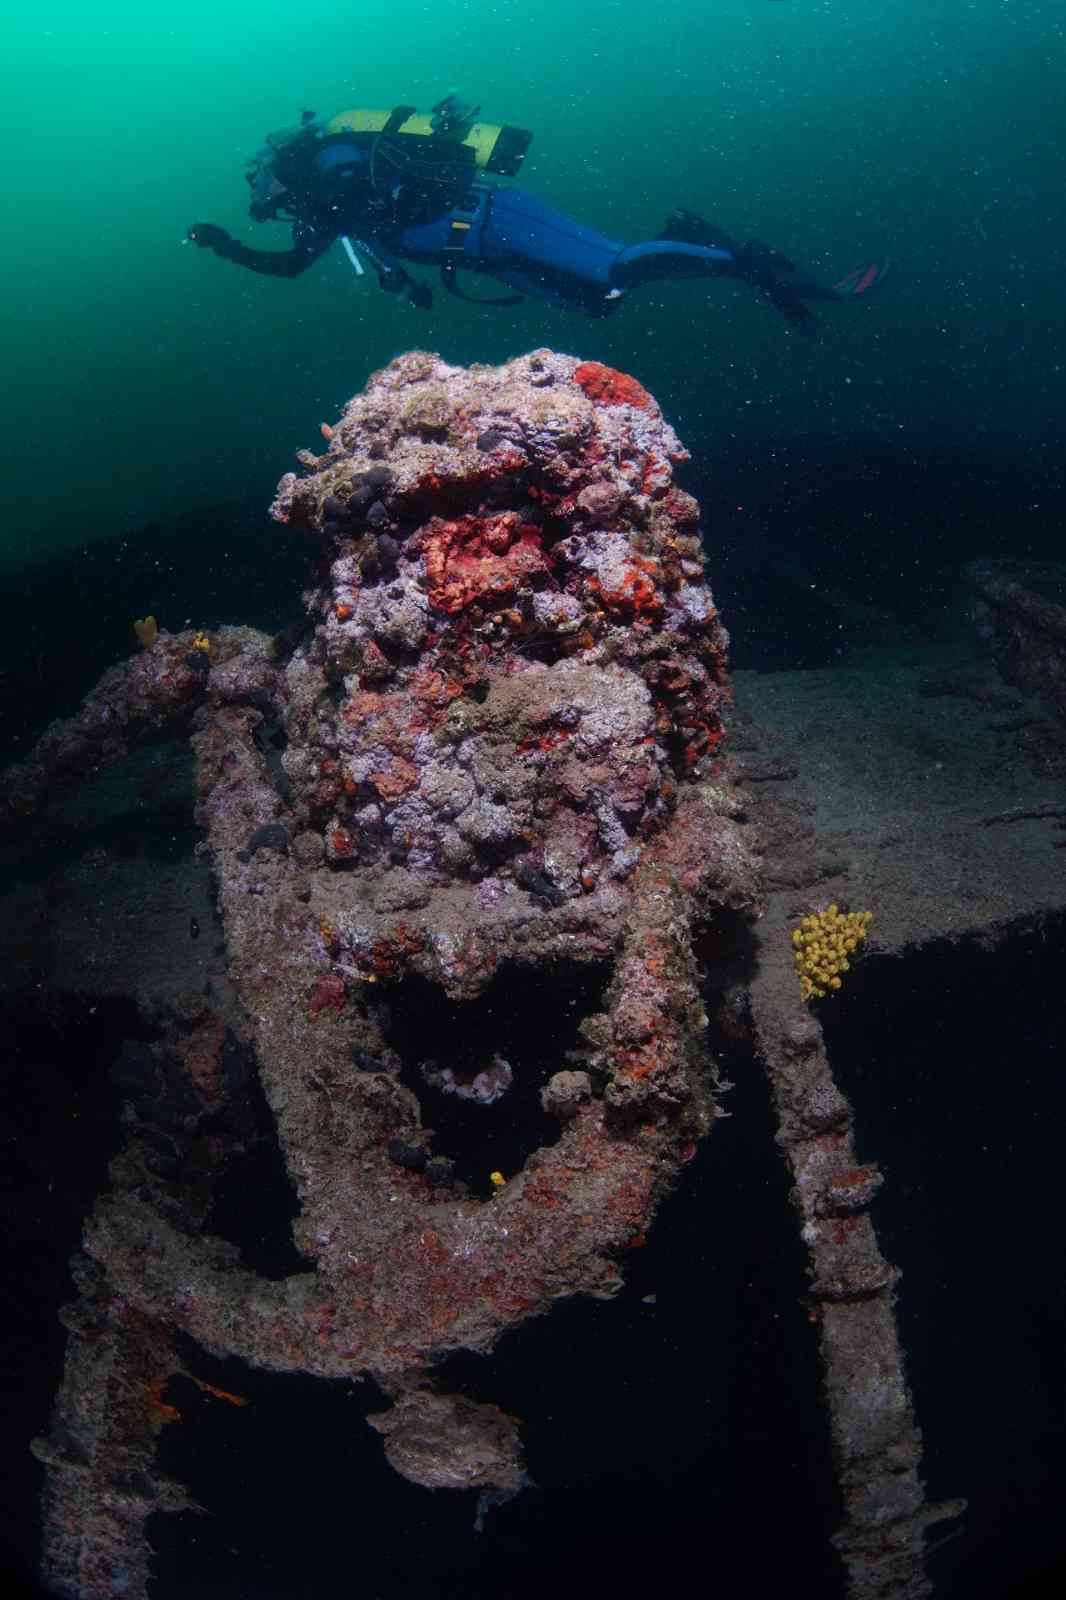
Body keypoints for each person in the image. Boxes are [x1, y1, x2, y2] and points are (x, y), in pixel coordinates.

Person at [187, 96, 883, 334]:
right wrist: (225, 246)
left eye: (267, 187)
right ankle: (686, 236)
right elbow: (286, 267)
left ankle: (757, 267)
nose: (268, 200)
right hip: (484, 253)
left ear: (284, 169)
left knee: (613, 266)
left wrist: (316, 211)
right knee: (600, 299)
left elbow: (357, 206)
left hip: (499, 217)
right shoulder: (322, 207)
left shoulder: (334, 172)